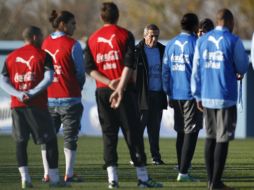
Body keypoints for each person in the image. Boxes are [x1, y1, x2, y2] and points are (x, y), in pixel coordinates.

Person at [84, 2, 162, 188]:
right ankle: (142, 179)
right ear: (117, 15)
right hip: (124, 91)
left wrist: (108, 81)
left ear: (101, 17)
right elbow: (129, 64)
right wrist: (119, 88)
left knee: (109, 135)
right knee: (133, 134)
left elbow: (89, 69)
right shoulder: (125, 35)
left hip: (103, 91)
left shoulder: (92, 39)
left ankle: (113, 180)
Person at [0, 26, 65, 188]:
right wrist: (32, 93)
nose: (43, 39)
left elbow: (3, 81)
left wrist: (18, 94)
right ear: (35, 37)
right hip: (36, 105)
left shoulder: (11, 57)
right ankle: (55, 180)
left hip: (17, 105)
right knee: (50, 140)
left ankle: (25, 179)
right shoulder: (43, 55)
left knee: (21, 142)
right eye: (42, 36)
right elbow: (49, 78)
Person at [191, 8, 249, 190]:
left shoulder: (202, 41)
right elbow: (243, 66)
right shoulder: (233, 40)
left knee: (210, 137)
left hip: (206, 97)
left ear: (217, 22)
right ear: (230, 23)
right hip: (225, 97)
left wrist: (197, 94)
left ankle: (211, 181)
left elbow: (196, 70)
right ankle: (215, 183)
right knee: (222, 139)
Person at [41, 10, 85, 183]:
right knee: (70, 137)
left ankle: (47, 173)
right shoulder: (73, 44)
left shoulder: (44, 43)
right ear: (63, 24)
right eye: (73, 23)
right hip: (70, 98)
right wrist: (77, 86)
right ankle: (69, 173)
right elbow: (80, 73)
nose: (75, 26)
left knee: (47, 138)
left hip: (49, 98)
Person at [162, 13, 202, 182]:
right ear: (194, 27)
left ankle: (181, 168)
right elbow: (200, 72)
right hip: (191, 96)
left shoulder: (170, 44)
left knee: (181, 132)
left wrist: (168, 93)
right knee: (191, 132)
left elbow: (165, 71)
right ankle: (183, 173)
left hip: (175, 94)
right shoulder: (196, 44)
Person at [134, 24, 167, 165]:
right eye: (151, 36)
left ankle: (156, 157)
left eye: (156, 36)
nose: (154, 39)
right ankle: (136, 156)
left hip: (158, 95)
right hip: (142, 96)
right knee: (139, 129)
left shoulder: (163, 50)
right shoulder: (137, 51)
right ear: (144, 35)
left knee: (155, 130)